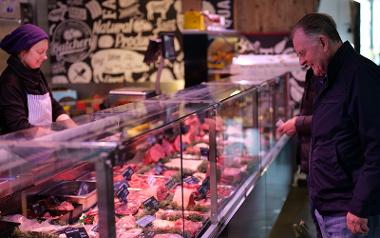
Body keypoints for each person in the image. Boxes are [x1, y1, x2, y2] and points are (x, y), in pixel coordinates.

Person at [291, 13, 380, 237]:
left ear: (322, 42)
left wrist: (359, 206)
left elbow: (377, 148)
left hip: (349, 214)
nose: (301, 61)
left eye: (302, 53)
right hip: (327, 208)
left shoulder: (361, 75)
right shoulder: (328, 76)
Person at [0, 24, 73, 134]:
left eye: (45, 51)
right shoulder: (10, 81)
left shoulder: (36, 73)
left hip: (43, 144)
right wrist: (54, 136)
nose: (45, 57)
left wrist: (72, 126)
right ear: (23, 52)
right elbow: (19, 126)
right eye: (40, 52)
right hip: (18, 148)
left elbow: (53, 106)